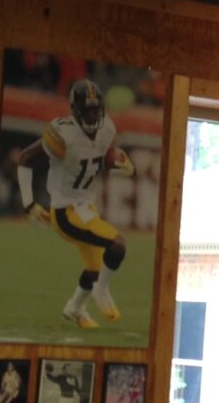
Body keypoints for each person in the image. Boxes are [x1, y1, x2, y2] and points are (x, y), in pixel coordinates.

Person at [15, 78, 134, 330]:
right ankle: (101, 290)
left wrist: (123, 166)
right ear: (75, 110)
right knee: (117, 245)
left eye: (95, 109)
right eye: (87, 110)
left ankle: (74, 308)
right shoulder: (63, 134)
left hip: (87, 209)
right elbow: (26, 158)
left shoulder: (107, 128)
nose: (92, 115)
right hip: (65, 212)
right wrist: (29, 204)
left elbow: (100, 160)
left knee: (94, 267)